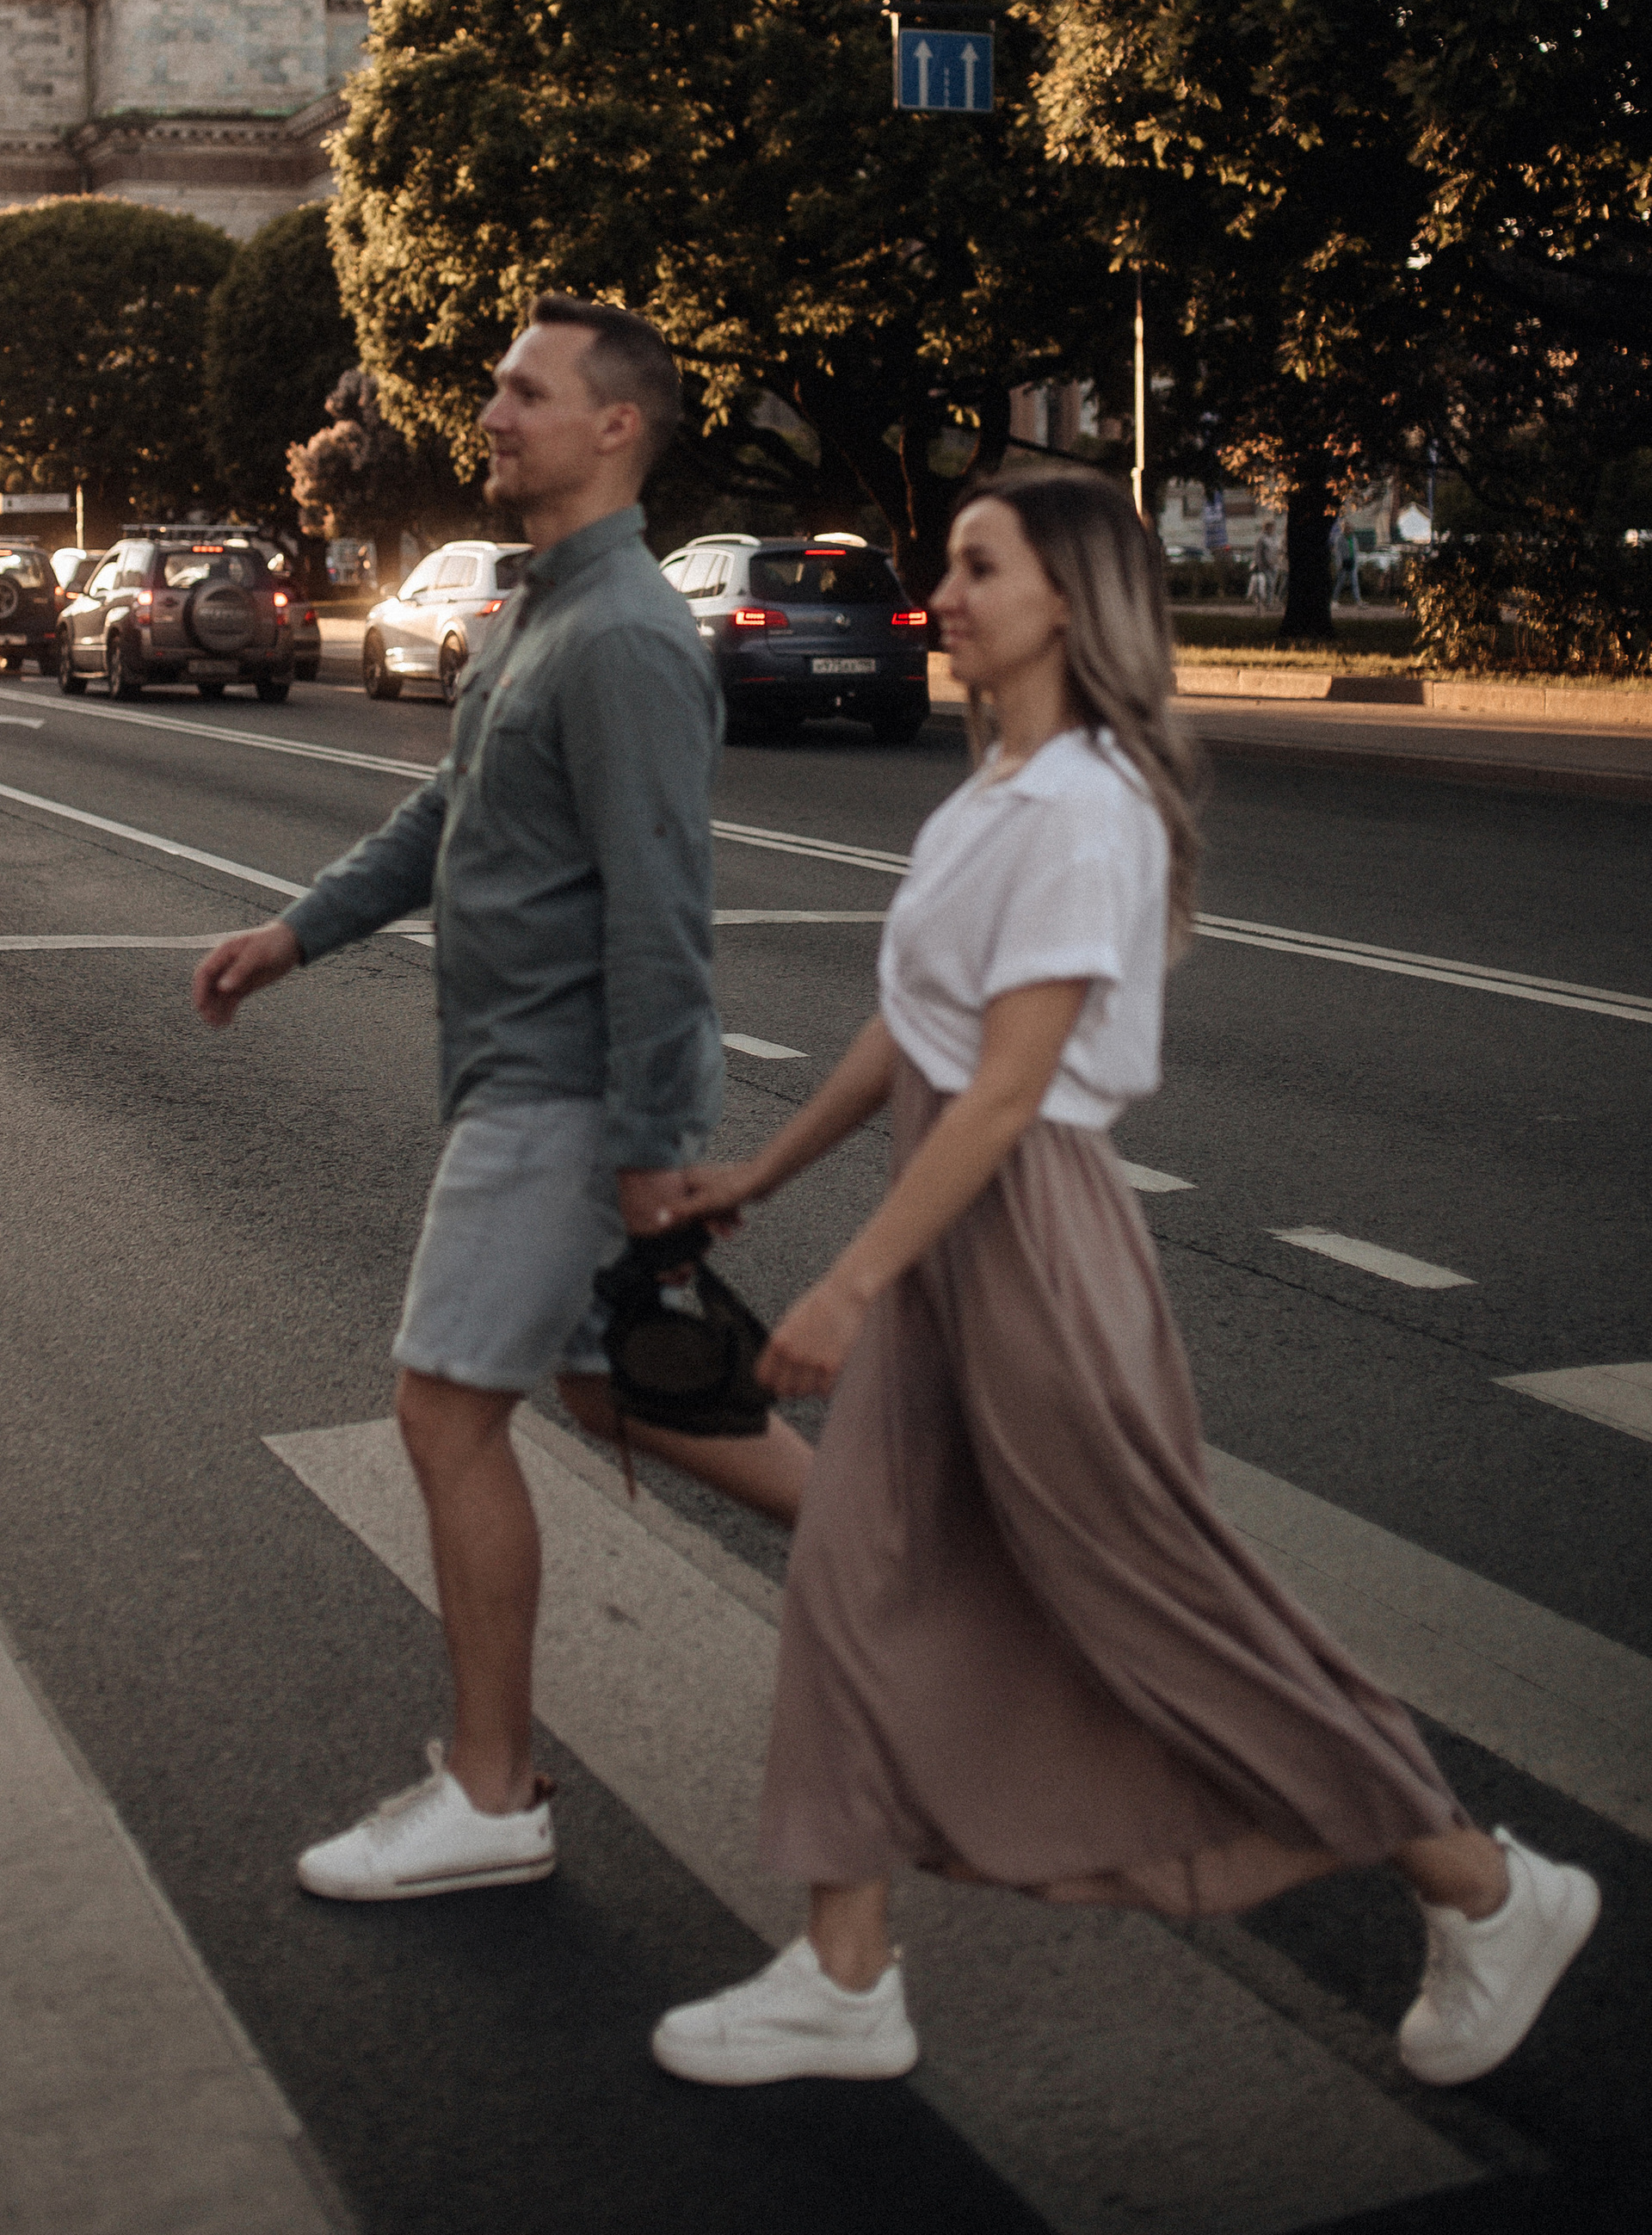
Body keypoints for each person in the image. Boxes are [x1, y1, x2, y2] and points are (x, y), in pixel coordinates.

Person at [647, 470, 1598, 2090]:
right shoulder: (995, 791)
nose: (939, 596)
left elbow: (1009, 1089)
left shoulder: (1087, 805)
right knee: (854, 1578)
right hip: (956, 1235)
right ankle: (843, 1971)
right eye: (945, 566)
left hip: (1027, 1243)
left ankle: (1483, 1882)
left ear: (1072, 606)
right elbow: (916, 1035)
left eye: (976, 569)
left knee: (1164, 1606)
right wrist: (762, 1173)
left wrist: (853, 1285)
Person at [192, 295, 811, 1903]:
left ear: (617, 426)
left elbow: (661, 913)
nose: (489, 414)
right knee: (618, 1400)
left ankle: (492, 1793)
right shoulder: (543, 615)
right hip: (529, 1086)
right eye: (494, 390)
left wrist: (658, 1161)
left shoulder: (622, 640)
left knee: (443, 1409)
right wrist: (297, 932)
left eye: (525, 393)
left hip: (556, 1099)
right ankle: (924, 1568)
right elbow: (446, 811)